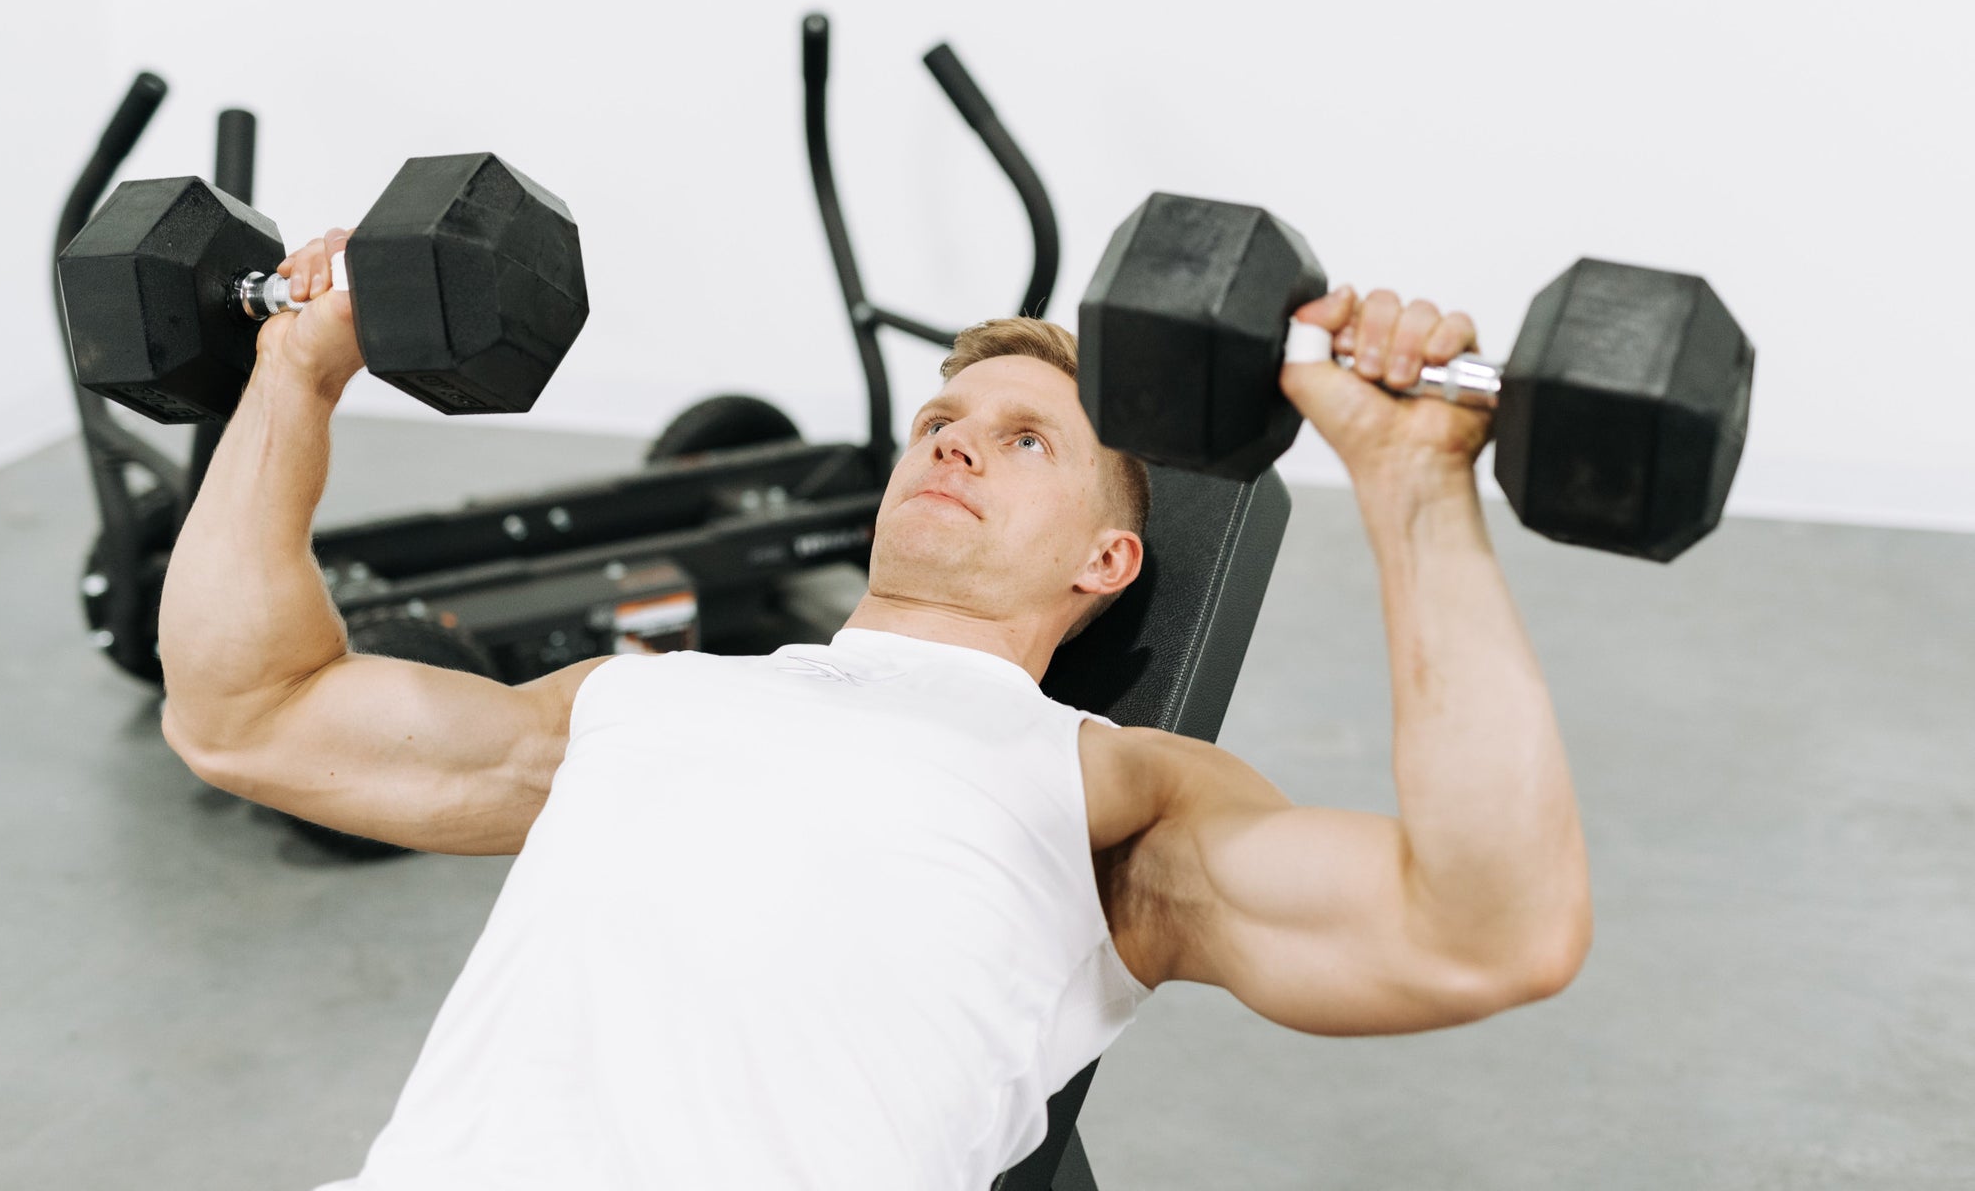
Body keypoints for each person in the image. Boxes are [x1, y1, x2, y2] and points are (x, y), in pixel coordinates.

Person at [159, 228, 1592, 1190]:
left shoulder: (1117, 794)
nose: (956, 445)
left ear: (1108, 560)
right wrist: (296, 372)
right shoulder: (637, 703)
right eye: (940, 427)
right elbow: (249, 711)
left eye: (1024, 439)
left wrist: (1412, 488)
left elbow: (1486, 927)